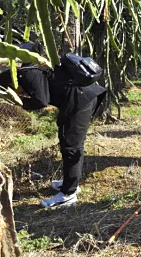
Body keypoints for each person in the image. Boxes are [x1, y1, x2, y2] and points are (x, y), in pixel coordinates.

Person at [0, 63, 106, 209]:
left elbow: (41, 101)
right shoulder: (31, 69)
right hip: (82, 95)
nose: (20, 92)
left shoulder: (26, 74)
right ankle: (71, 183)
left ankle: (68, 195)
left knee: (71, 146)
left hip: (80, 99)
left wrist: (20, 103)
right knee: (69, 142)